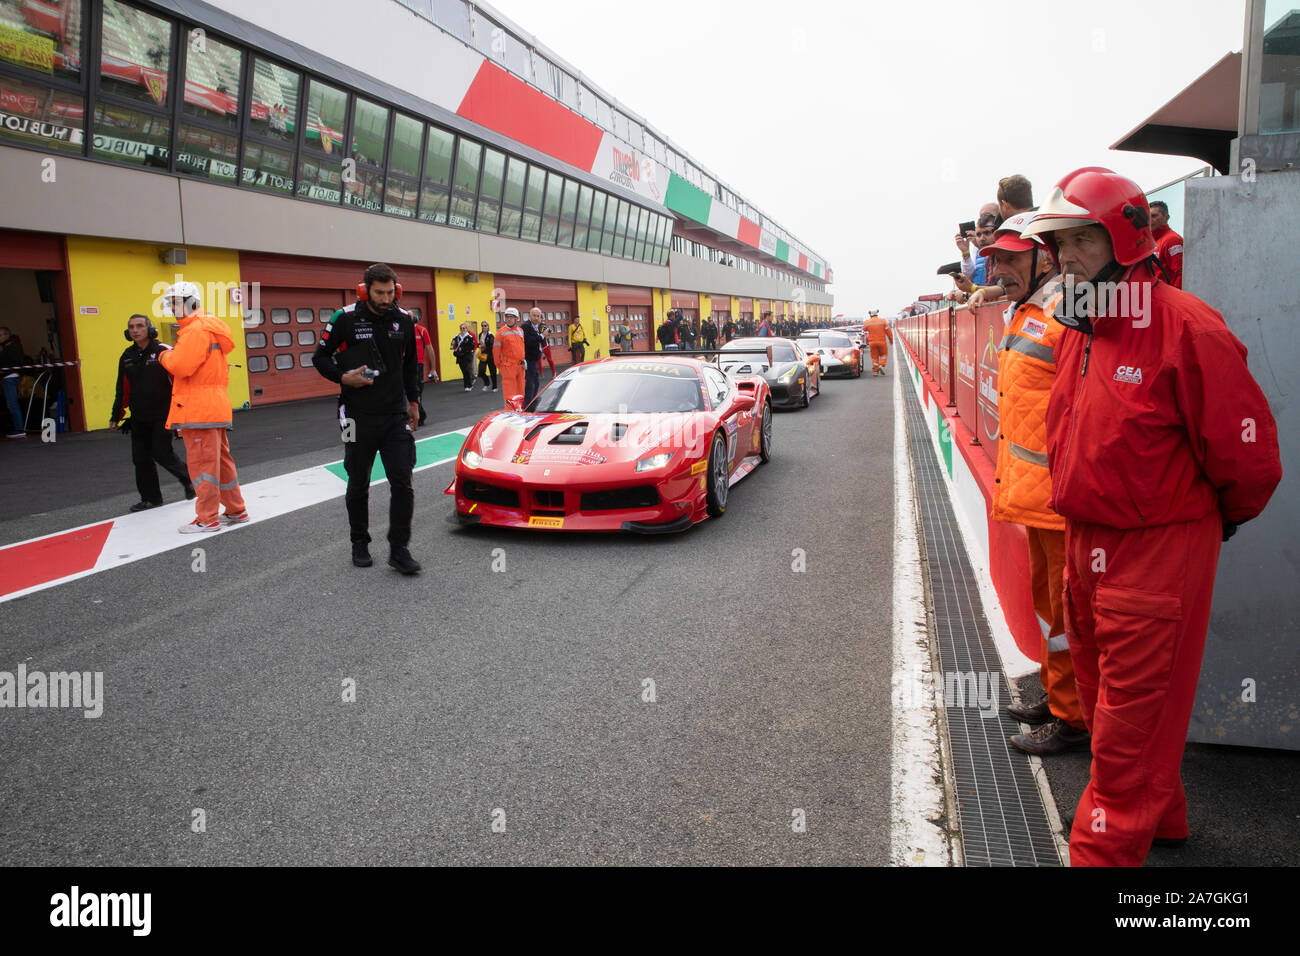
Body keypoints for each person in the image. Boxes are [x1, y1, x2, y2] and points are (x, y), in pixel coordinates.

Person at [1022, 167, 1281, 866]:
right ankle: (1164, 822)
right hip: (1087, 543)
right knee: (1110, 703)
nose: (1066, 258)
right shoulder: (1080, 328)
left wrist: (1205, 523)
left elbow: (1249, 457)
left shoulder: (1187, 327)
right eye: (1058, 245)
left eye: (1081, 240)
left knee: (1125, 742)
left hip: (1158, 551)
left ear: (1124, 241)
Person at [969, 212, 1088, 756]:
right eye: (997, 259)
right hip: (1036, 498)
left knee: (1069, 615)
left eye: (1014, 258)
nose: (1003, 268)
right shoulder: (1026, 310)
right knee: (1049, 609)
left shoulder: (1072, 310)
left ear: (1043, 258)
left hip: (1062, 500)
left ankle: (1073, 718)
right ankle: (1057, 695)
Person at [312, 263, 421, 574]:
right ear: (365, 290)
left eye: (390, 293)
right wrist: (343, 377)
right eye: (379, 293)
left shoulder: (403, 319)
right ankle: (359, 541)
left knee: (403, 482)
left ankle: (399, 549)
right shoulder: (343, 318)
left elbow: (411, 364)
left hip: (395, 415)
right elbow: (318, 357)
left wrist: (413, 402)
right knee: (358, 481)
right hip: (353, 417)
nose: (386, 299)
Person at [157, 282, 248, 534]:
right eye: (171, 302)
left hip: (197, 410)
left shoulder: (195, 331)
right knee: (220, 461)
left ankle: (207, 518)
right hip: (213, 407)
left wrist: (163, 355)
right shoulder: (208, 327)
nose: (173, 307)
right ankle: (236, 509)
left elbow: (182, 366)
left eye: (176, 301)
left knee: (202, 466)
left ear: (190, 302)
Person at [111, 313, 195, 510]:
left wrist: (183, 410)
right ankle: (151, 498)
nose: (135, 330)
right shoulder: (127, 356)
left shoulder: (163, 351)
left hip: (164, 415)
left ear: (149, 329)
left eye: (139, 326)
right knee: (140, 459)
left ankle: (190, 480)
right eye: (131, 327)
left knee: (161, 453)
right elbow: (122, 389)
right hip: (139, 418)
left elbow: (181, 381)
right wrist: (116, 415)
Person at [493, 307, 526, 407]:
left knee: (521, 391)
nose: (509, 319)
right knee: (510, 393)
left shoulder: (520, 331)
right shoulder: (501, 333)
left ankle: (521, 410)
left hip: (520, 366)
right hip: (508, 366)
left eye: (511, 317)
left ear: (516, 318)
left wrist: (524, 360)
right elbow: (496, 352)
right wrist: (501, 366)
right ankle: (510, 413)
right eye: (507, 317)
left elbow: (522, 347)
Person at [1149, 200, 1183, 289]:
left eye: (1154, 216)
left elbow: (1180, 274)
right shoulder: (1150, 242)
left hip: (1168, 297)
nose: (1150, 220)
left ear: (1166, 217)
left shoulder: (1172, 240)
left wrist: (1175, 299)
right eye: (1147, 216)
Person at [0, 326, 26, 438]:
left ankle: (19, 429)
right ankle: (17, 427)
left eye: (0, 335)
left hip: (9, 377)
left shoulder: (11, 346)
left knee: (12, 404)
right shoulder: (6, 347)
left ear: (6, 335)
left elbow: (15, 362)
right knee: (11, 404)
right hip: (7, 377)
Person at [412, 317, 436, 425]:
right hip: (405, 365)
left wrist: (433, 368)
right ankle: (418, 414)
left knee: (417, 391)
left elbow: (430, 349)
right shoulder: (402, 330)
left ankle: (420, 415)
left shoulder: (421, 330)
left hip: (418, 365)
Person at [523, 308, 546, 407]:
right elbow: (529, 341)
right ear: (530, 316)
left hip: (536, 359)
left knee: (536, 382)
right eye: (534, 315)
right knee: (530, 383)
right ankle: (528, 405)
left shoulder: (539, 326)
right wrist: (542, 336)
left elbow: (541, 341)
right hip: (529, 359)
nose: (536, 318)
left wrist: (544, 336)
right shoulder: (526, 326)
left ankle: (533, 401)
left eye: (538, 316)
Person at [861, 309, 893, 375]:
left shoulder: (868, 322)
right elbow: (889, 332)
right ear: (877, 314)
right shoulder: (883, 321)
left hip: (872, 343)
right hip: (882, 342)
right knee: (884, 355)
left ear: (870, 315)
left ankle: (875, 371)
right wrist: (891, 340)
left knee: (874, 357)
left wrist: (868, 323)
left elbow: (864, 328)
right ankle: (881, 365)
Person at [451, 322, 476, 391]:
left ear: (467, 329)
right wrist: (453, 345)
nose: (462, 329)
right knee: (463, 371)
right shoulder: (457, 337)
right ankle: (466, 385)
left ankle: (469, 385)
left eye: (464, 328)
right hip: (460, 356)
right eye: (461, 328)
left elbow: (472, 346)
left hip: (467, 356)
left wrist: (463, 348)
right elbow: (452, 345)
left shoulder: (469, 337)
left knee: (467, 369)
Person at [477, 320, 497, 392]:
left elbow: (492, 346)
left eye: (485, 325)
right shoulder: (480, 334)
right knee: (481, 371)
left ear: (488, 326)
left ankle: (494, 386)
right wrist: (479, 345)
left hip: (490, 355)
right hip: (483, 355)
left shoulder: (490, 335)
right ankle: (487, 383)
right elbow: (479, 344)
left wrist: (484, 347)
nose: (483, 327)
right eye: (482, 325)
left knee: (492, 371)